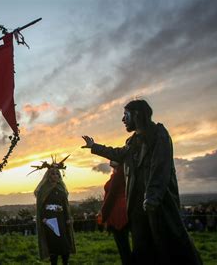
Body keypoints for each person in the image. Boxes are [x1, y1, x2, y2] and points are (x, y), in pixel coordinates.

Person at [82, 99, 202, 264]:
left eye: (126, 115)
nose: (123, 120)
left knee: (170, 248)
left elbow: (160, 166)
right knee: (142, 250)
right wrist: (94, 146)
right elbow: (118, 154)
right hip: (137, 208)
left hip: (158, 205)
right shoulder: (131, 142)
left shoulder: (159, 134)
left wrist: (152, 196)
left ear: (137, 114)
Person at [34, 167, 76, 265]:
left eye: (57, 173)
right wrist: (43, 218)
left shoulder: (61, 189)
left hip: (61, 220)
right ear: (48, 176)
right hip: (49, 221)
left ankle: (65, 262)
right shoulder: (43, 190)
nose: (55, 176)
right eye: (53, 174)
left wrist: (68, 218)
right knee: (53, 245)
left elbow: (65, 205)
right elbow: (41, 206)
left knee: (64, 243)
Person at [102, 161, 131, 265]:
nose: (110, 159)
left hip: (118, 211)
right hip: (119, 209)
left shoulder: (119, 174)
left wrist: (103, 214)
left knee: (123, 246)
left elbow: (112, 196)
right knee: (123, 245)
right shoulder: (120, 173)